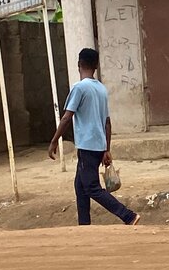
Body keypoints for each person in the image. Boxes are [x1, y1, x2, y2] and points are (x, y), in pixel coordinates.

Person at [49, 47, 140, 226]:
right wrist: (107, 149)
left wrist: (53, 141)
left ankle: (128, 215)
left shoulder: (79, 88)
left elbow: (67, 117)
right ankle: (84, 225)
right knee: (80, 186)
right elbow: (107, 122)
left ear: (79, 64)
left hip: (87, 145)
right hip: (98, 145)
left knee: (91, 187)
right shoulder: (101, 89)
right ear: (96, 66)